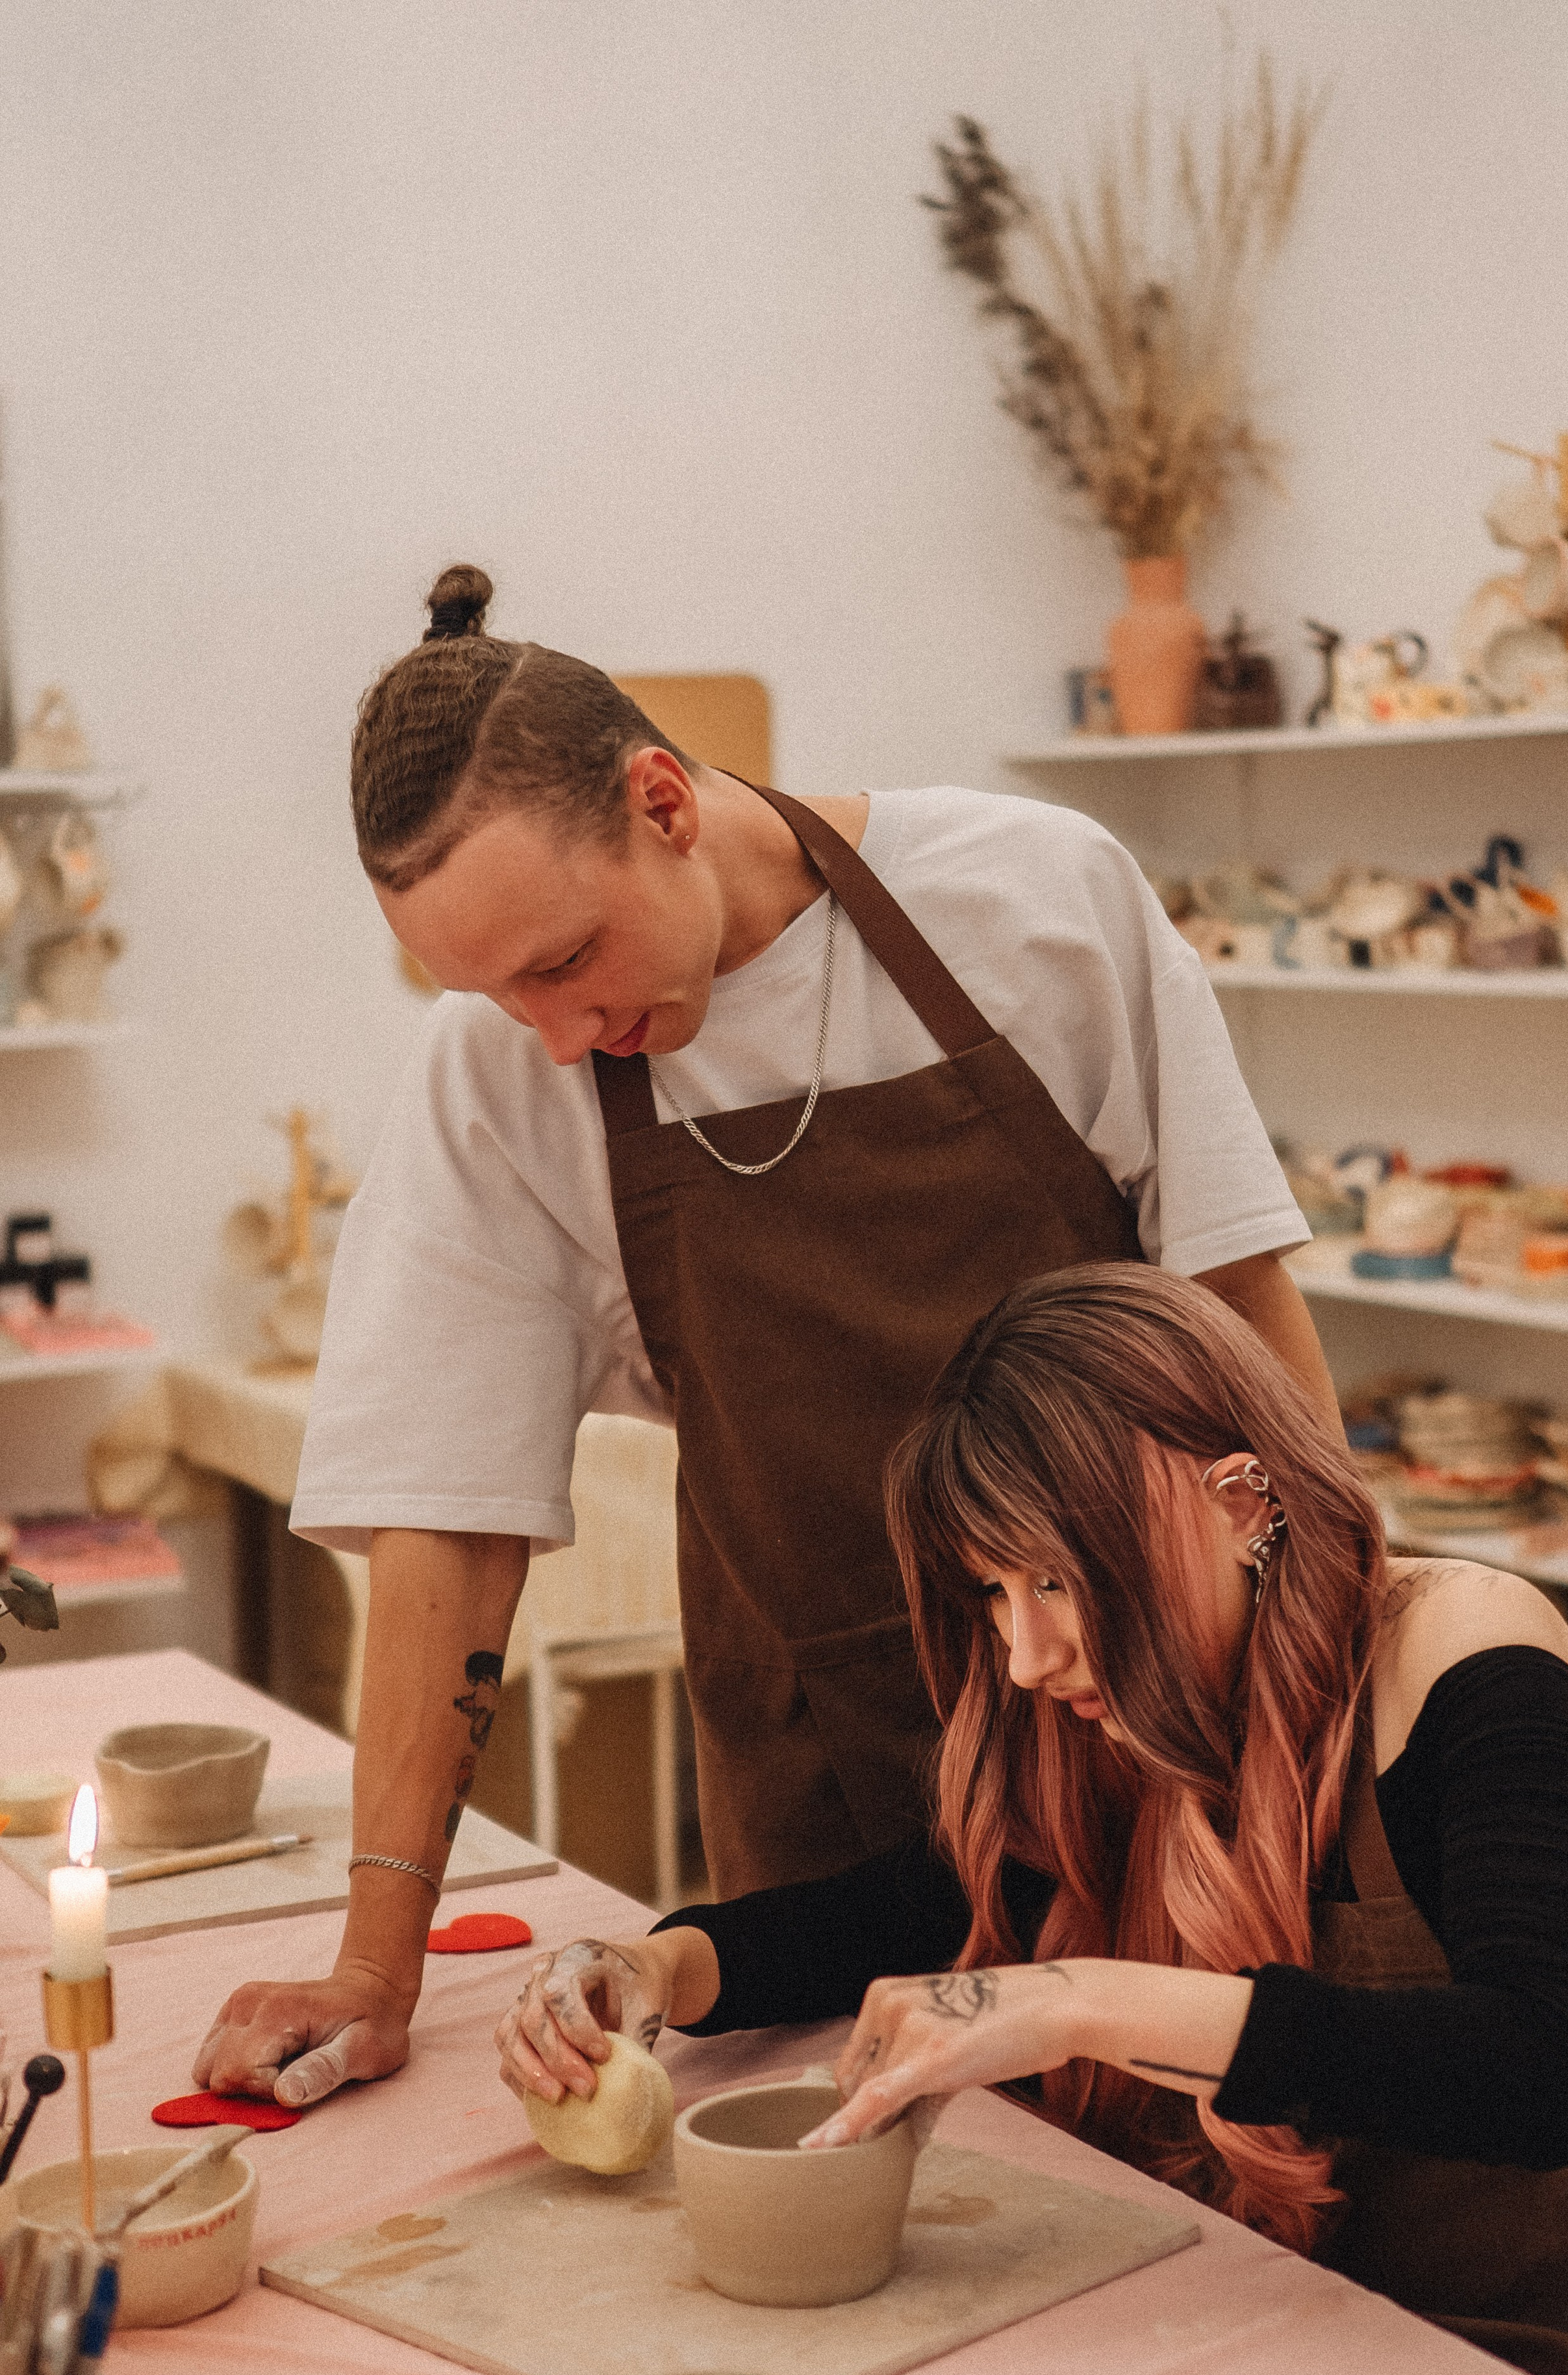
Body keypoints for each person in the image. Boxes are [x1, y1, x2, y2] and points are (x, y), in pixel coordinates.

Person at [193, 563, 1332, 2111]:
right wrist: (374, 1967)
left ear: (661, 799)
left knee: (1236, 2193)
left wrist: (1343, 1709)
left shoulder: (1034, 900)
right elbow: (447, 1530)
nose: (548, 1033)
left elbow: (1241, 1313)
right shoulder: (502, 1084)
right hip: (835, 1797)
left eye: (561, 961)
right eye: (488, 993)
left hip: (1163, 1719)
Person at [498, 1264, 1568, 2375]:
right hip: (1327, 2334)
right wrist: (656, 1969)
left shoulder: (1469, 1656)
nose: (1026, 1655)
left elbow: (1541, 2067)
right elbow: (908, 1908)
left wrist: (1084, 2002)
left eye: (1057, 1579)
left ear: (1245, 1500)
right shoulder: (1148, 1694)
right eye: (996, 1591)